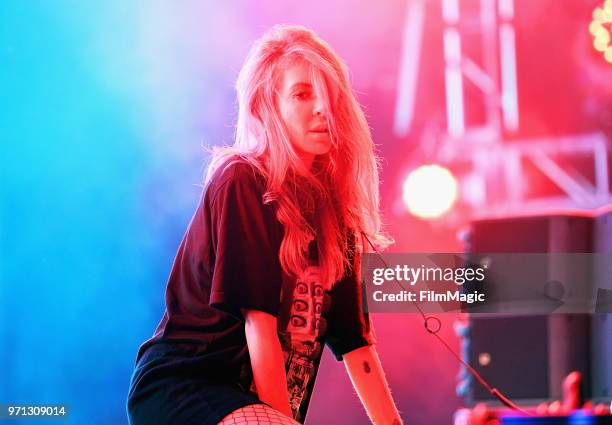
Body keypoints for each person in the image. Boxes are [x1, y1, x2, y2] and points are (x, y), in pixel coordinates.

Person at [127, 24, 403, 425]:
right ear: (266, 107)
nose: (323, 108)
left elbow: (356, 346)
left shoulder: (333, 212)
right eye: (302, 94)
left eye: (330, 95)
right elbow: (260, 325)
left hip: (253, 407)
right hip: (185, 388)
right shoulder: (243, 181)